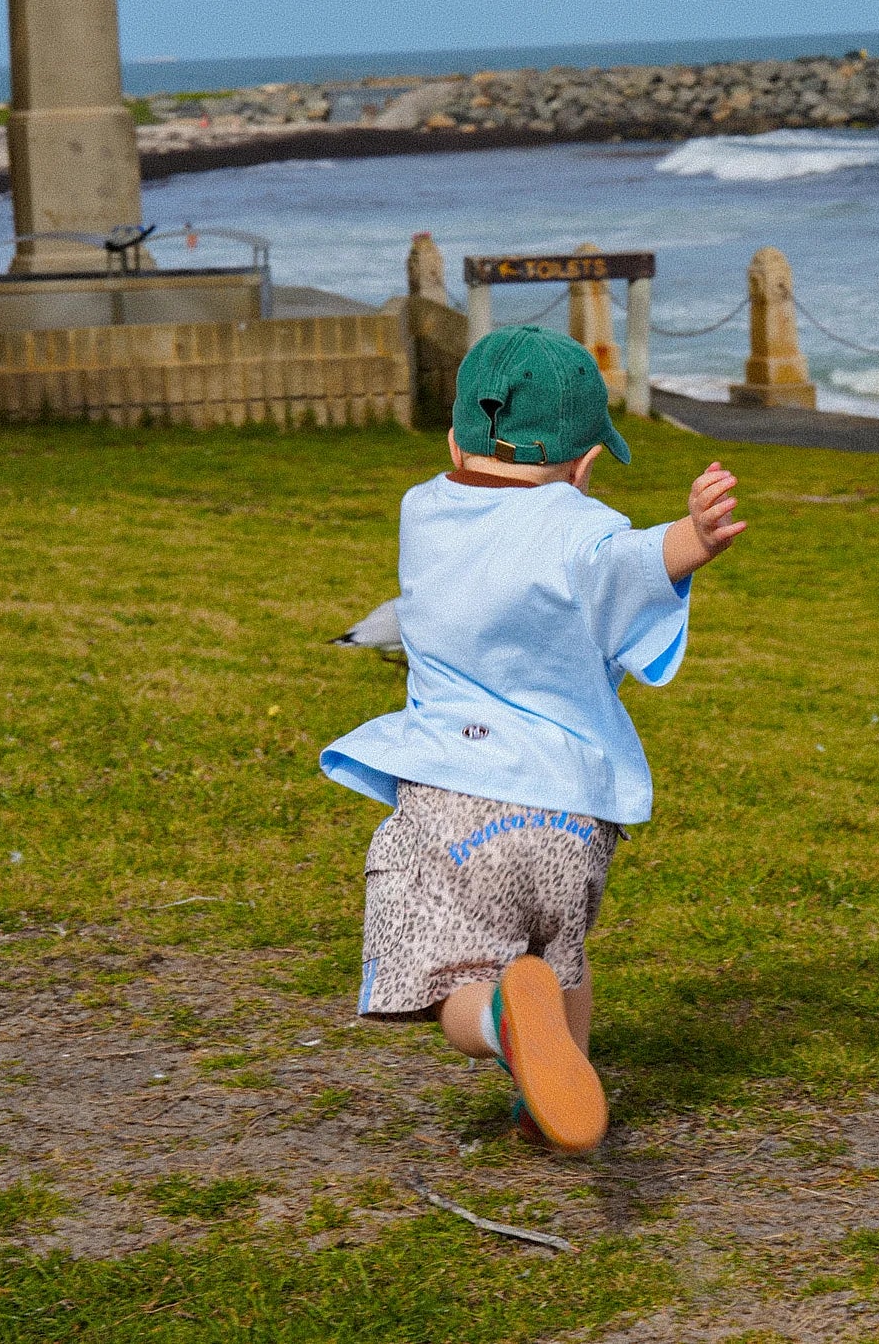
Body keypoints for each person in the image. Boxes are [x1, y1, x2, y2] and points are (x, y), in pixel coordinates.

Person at [320, 325, 745, 1155]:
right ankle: (554, 1095)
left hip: (452, 807)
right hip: (571, 816)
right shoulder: (583, 531)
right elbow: (624, 562)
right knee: (562, 959)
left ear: (452, 440)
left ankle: (505, 1024)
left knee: (458, 988)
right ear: (585, 465)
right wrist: (692, 538)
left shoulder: (421, 510)